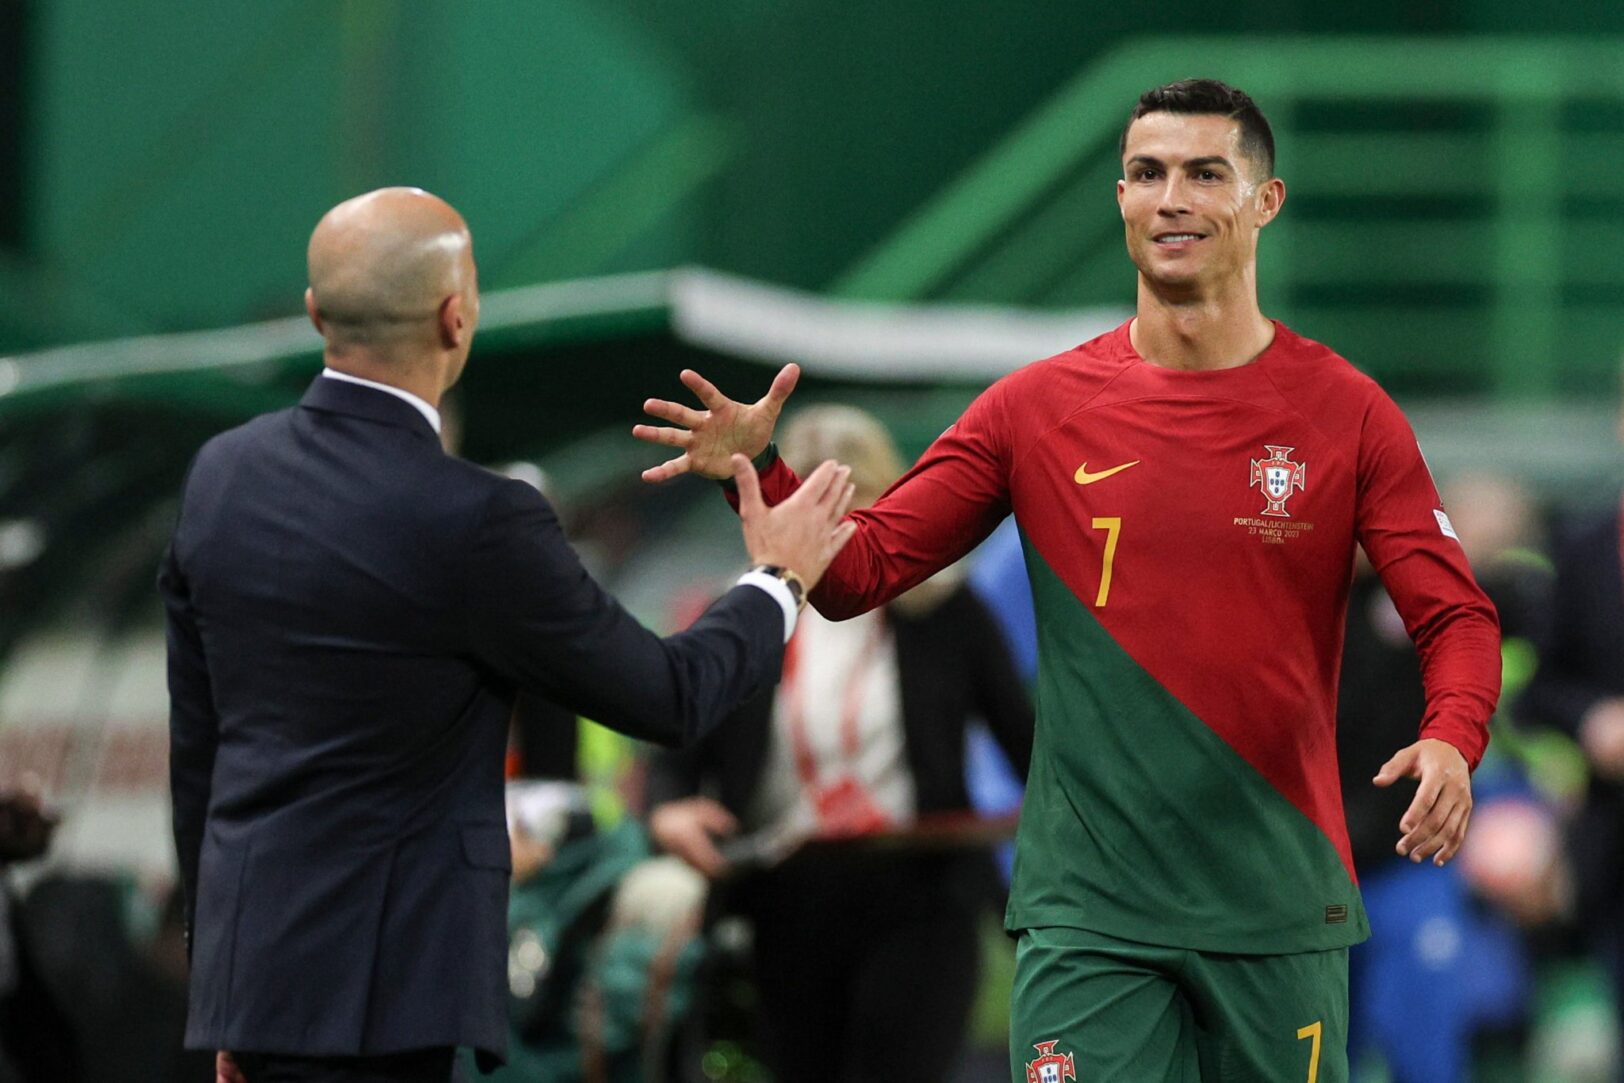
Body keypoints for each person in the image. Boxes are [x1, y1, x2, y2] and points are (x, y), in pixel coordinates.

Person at [633, 80, 1502, 1082]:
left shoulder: (1345, 412)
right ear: (1121, 198)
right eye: (1145, 173)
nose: (1169, 197)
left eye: (1203, 173)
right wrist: (769, 475)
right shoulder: (1032, 410)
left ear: (1264, 202)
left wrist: (1451, 735)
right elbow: (860, 573)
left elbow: (1454, 613)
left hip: (1275, 906)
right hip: (1091, 918)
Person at [161, 187, 857, 1083]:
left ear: (314, 312)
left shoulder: (221, 476)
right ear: (458, 317)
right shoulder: (478, 521)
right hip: (393, 996)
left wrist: (222, 981)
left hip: (257, 986)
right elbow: (669, 693)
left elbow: (201, 746)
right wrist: (778, 577)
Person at [644, 405, 1034, 1083]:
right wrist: (668, 808)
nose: (840, 531)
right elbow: (676, 745)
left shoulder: (946, 612)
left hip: (919, 891)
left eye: (860, 507)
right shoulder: (747, 611)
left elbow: (1028, 746)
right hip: (781, 896)